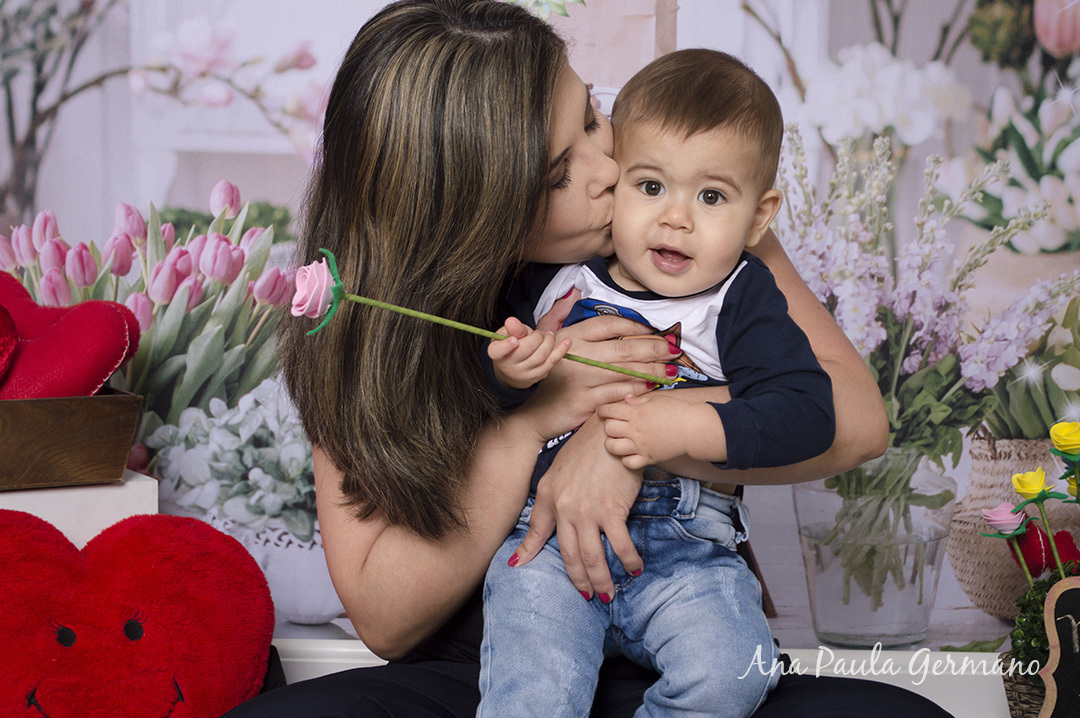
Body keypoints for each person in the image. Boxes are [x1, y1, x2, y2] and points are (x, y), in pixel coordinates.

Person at [224, 1, 953, 716]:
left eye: (591, 116)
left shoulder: (686, 216)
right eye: (558, 172)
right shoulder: (363, 322)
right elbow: (386, 616)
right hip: (497, 673)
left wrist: (625, 439)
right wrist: (533, 422)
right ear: (476, 209)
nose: (608, 165)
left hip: (679, 643)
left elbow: (852, 419)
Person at [479, 49, 832, 717]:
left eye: (711, 196)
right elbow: (478, 406)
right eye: (650, 187)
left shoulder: (739, 297)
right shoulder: (563, 275)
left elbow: (808, 411)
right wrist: (510, 375)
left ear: (758, 218)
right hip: (552, 549)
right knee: (532, 689)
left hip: (688, 560)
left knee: (732, 674)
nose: (676, 218)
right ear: (615, 187)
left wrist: (675, 424)